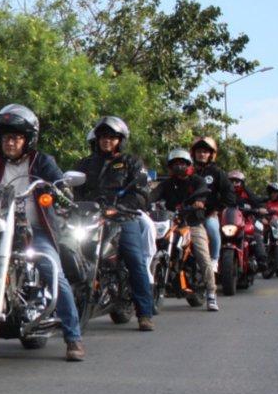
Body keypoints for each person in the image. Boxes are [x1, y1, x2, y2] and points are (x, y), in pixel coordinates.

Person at [0, 104, 87, 360]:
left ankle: (73, 338)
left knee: (52, 271)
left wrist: (61, 191)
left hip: (34, 231)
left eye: (16, 138)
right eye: (6, 138)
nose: (10, 143)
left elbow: (58, 181)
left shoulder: (42, 161)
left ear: (28, 140)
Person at [73, 116, 156, 331]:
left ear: (120, 140)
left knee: (135, 260)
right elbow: (73, 190)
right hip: (90, 219)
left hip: (122, 219)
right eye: (103, 136)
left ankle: (145, 313)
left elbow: (141, 194)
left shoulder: (132, 163)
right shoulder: (85, 164)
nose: (106, 140)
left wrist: (118, 208)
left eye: (111, 137)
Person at [150, 149, 217, 310]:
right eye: (175, 164)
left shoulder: (197, 181)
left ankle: (211, 294)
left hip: (192, 223)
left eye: (182, 163)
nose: (179, 166)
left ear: (188, 165)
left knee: (203, 255)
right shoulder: (167, 183)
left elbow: (203, 193)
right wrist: (142, 202)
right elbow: (153, 195)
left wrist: (199, 202)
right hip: (171, 223)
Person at [188, 136, 235, 282]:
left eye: (205, 152)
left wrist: (216, 209)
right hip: (188, 215)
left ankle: (214, 260)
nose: (202, 154)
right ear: (193, 154)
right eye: (199, 151)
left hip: (208, 215)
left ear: (211, 155)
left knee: (212, 228)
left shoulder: (217, 173)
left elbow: (229, 194)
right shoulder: (188, 172)